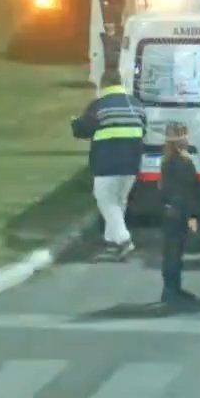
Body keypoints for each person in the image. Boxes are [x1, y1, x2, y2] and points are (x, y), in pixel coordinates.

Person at [71, 68, 146, 259]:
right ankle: (111, 241)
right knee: (120, 201)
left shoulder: (100, 105)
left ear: (103, 84)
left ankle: (123, 239)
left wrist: (75, 123)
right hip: (132, 162)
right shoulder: (136, 104)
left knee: (105, 200)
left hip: (107, 161)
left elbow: (83, 130)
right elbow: (144, 129)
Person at [158, 122, 200, 304]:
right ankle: (172, 291)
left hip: (169, 211)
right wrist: (191, 216)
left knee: (171, 252)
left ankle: (171, 289)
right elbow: (186, 191)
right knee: (175, 253)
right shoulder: (183, 162)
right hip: (179, 212)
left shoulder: (167, 160)